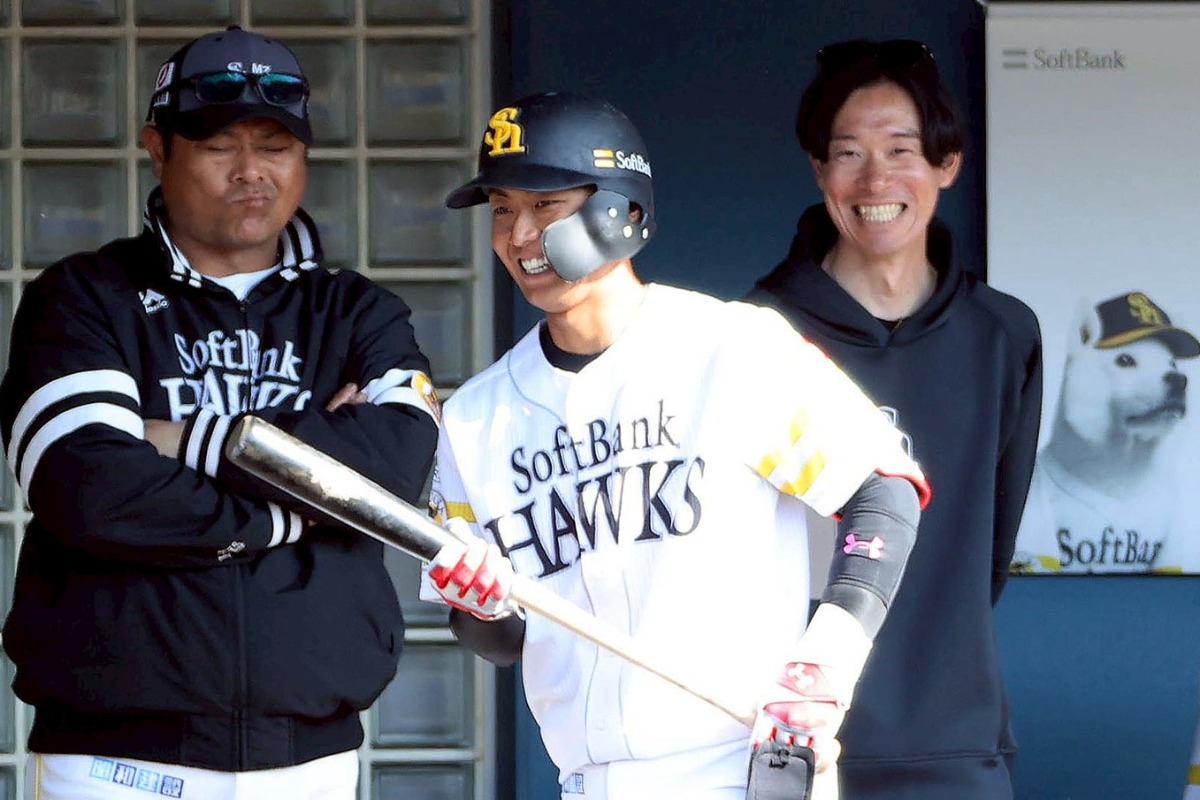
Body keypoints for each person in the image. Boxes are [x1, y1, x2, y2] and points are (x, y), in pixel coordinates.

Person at [418, 91, 931, 800]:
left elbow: (883, 490)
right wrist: (481, 608)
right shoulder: (477, 416)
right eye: (503, 208)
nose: (518, 234)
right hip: (587, 779)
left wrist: (828, 660)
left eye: (545, 205)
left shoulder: (727, 348)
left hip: (742, 767)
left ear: (621, 210)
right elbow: (501, 643)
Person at [0, 26, 440, 800]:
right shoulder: (80, 299)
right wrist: (298, 506)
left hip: (312, 761)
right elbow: (92, 491)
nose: (250, 172)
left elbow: (396, 469)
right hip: (114, 763)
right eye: (216, 144)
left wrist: (179, 440)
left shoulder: (359, 315)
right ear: (158, 149)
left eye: (274, 145)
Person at [745, 39, 1043, 799]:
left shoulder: (1003, 334)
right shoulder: (753, 333)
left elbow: (989, 552)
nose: (875, 179)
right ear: (819, 171)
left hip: (958, 747)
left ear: (947, 164)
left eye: (901, 150)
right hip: (792, 743)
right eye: (847, 152)